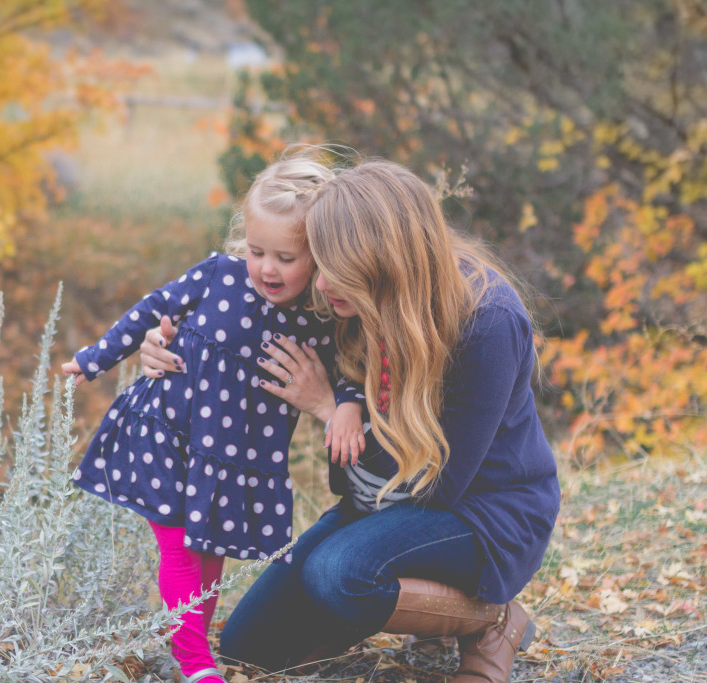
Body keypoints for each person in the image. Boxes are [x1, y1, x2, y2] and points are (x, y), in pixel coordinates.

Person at [139, 157, 560, 682]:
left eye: (339, 269)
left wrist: (323, 406)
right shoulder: (348, 299)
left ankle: (493, 620)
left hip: (482, 512)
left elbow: (436, 484)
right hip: (379, 498)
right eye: (320, 264)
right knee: (251, 647)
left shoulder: (486, 322)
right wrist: (168, 347)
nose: (322, 285)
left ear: (385, 261)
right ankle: (391, 599)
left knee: (338, 573)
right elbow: (239, 323)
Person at [61, 152, 368, 683]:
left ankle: (189, 642)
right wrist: (96, 357)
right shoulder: (220, 276)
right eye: (256, 251)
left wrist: (346, 405)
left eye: (286, 257)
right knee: (179, 546)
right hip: (170, 433)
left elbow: (348, 370)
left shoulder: (322, 320)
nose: (267, 268)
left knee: (209, 556)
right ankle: (195, 663)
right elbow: (151, 309)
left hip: (235, 458)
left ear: (319, 258)